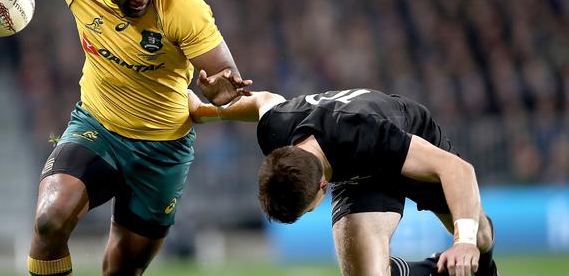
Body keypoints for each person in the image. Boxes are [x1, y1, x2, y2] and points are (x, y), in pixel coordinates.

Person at [0, 0, 251, 276]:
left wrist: (218, 93)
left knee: (122, 269)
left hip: (162, 149)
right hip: (97, 127)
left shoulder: (185, 7)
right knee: (49, 220)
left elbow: (224, 76)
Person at [188, 88, 499, 276]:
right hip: (354, 165)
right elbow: (263, 101)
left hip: (408, 140)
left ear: (323, 186)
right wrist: (205, 112)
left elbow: (458, 169)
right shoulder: (276, 130)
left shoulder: (367, 133)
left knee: (479, 237)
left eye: (308, 210)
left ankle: (475, 260)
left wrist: (464, 242)